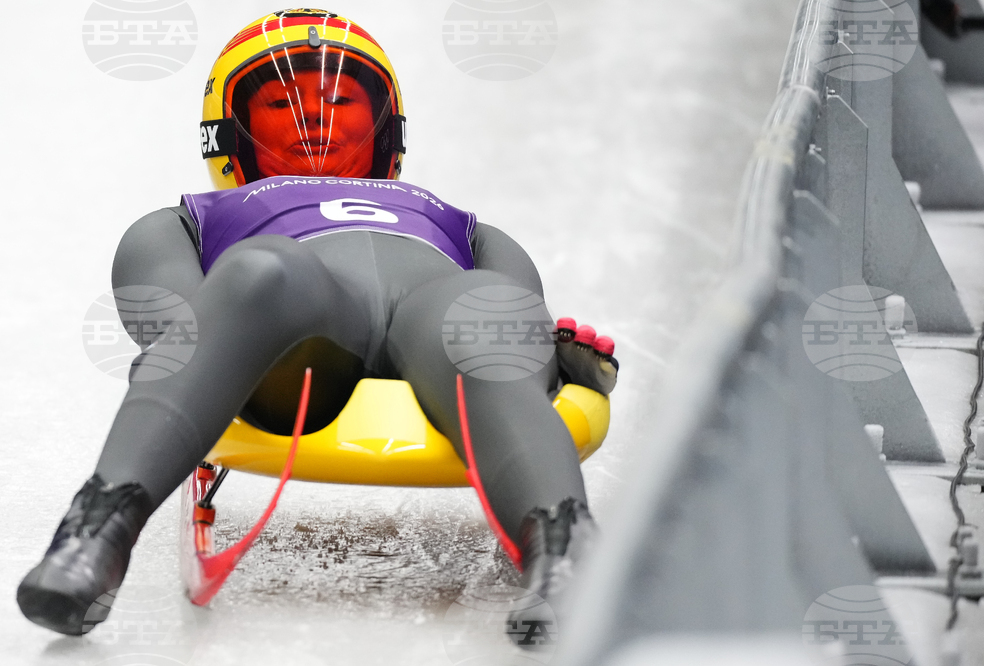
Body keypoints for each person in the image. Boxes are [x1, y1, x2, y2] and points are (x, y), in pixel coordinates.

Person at [17, 8, 618, 636]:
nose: (315, 121)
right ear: (230, 134)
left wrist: (554, 357)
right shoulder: (190, 219)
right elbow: (176, 326)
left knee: (483, 308)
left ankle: (565, 552)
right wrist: (200, 347)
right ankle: (94, 537)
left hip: (438, 310)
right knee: (262, 270)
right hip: (298, 324)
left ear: (386, 128)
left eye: (340, 99)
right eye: (280, 102)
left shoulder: (465, 225)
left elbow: (521, 319)